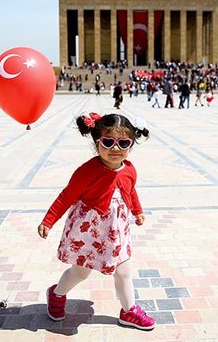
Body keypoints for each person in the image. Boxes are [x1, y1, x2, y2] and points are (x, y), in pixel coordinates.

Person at [38, 113, 155, 331]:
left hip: (116, 231)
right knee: (81, 272)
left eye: (123, 143)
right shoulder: (87, 170)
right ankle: (56, 294)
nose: (115, 148)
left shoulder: (129, 169)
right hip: (89, 231)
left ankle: (129, 311)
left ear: (131, 144)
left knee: (123, 271)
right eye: (108, 142)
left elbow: (130, 191)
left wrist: (137, 211)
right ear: (97, 142)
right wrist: (49, 219)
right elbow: (67, 196)